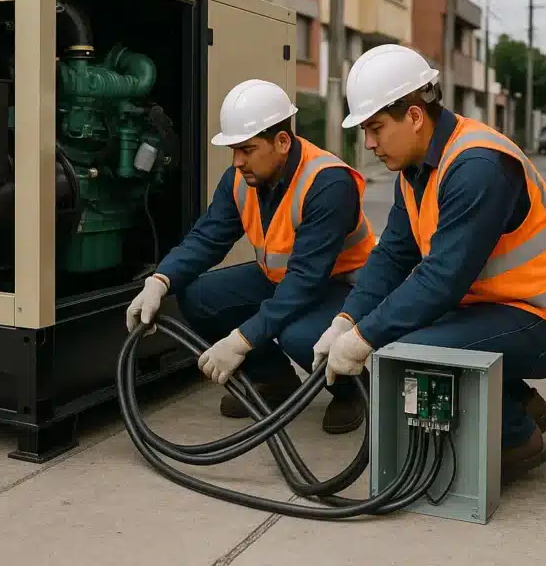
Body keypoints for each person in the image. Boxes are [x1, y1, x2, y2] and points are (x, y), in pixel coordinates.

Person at [311, 44, 546, 482]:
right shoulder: (416, 167)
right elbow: (392, 255)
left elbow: (441, 279)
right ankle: (517, 402)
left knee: (410, 349)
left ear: (416, 116)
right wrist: (346, 320)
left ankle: (516, 439)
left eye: (376, 128)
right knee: (405, 335)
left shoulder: (477, 165)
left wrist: (365, 338)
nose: (368, 143)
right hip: (497, 308)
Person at [127, 78, 377, 433]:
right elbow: (208, 237)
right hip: (281, 280)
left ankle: (351, 390)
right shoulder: (241, 178)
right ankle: (275, 381)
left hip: (341, 287)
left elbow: (305, 282)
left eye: (246, 149)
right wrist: (159, 280)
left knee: (299, 335)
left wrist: (239, 341)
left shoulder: (329, 183)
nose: (237, 161)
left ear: (282, 142)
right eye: (234, 150)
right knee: (199, 297)